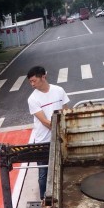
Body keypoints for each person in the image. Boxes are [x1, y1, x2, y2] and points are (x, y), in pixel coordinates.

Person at [27, 66, 70, 200]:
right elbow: (45, 122)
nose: (32, 84)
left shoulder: (59, 90)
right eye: (30, 82)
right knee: (43, 174)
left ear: (43, 77)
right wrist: (59, 130)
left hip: (59, 137)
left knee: (63, 166)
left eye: (34, 81)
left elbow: (65, 111)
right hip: (43, 141)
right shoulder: (32, 99)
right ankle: (44, 200)